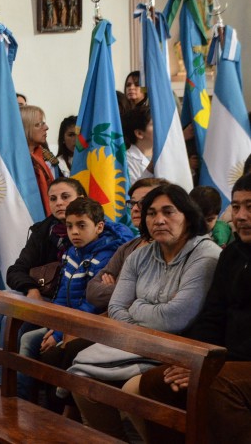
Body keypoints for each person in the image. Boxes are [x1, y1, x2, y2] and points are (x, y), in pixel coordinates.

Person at [71, 184, 220, 440]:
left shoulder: (205, 255)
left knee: (132, 391)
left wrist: (137, 305)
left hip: (180, 350)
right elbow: (116, 308)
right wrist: (148, 313)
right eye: (151, 213)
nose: (159, 220)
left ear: (187, 215)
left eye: (168, 212)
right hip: (137, 344)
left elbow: (177, 317)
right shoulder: (140, 255)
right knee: (82, 382)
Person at [135, 175, 251, 443]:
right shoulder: (232, 255)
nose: (241, 216)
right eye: (235, 207)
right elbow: (213, 315)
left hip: (237, 363)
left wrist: (211, 367)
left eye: (250, 206)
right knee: (155, 381)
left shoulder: (210, 252)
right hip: (226, 359)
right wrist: (192, 360)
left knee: (215, 387)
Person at [20, 198, 131, 402]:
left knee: (47, 349)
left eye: (81, 226)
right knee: (27, 336)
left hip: (89, 324)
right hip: (66, 321)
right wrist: (55, 325)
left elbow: (93, 304)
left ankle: (49, 406)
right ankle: (23, 400)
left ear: (99, 227)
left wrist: (60, 332)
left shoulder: (106, 256)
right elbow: (62, 294)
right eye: (69, 226)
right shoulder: (73, 252)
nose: (74, 232)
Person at [85, 177, 169, 312]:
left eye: (142, 203)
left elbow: (157, 298)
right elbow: (92, 292)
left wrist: (117, 286)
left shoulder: (168, 247)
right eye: (132, 203)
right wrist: (129, 291)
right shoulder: (127, 247)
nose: (135, 209)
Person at [6, 177, 86, 298]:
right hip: (45, 295)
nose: (58, 203)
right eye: (53, 199)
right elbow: (15, 271)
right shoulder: (42, 231)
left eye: (65, 197)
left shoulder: (97, 231)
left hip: (79, 301)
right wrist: (31, 289)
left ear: (81, 199)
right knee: (3, 298)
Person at [21, 105, 64, 215]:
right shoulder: (15, 164)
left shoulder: (47, 158)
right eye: (38, 124)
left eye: (43, 123)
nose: (46, 127)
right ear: (24, 129)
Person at [122, 105, 153, 186]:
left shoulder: (167, 153)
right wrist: (150, 169)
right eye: (153, 124)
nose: (160, 128)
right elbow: (135, 191)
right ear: (139, 133)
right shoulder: (126, 160)